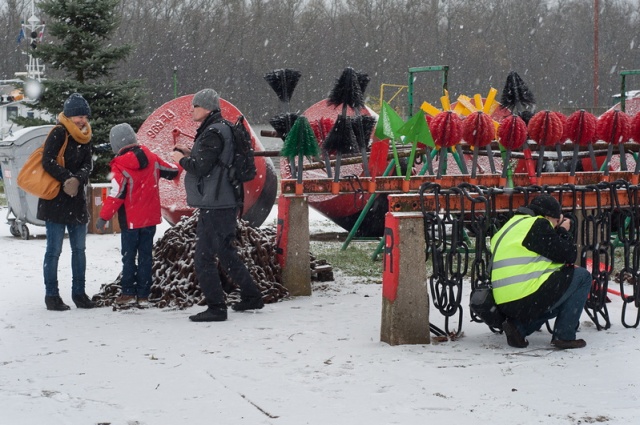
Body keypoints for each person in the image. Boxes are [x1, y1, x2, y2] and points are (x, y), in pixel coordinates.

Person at [171, 88, 263, 322]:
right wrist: (192, 152)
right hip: (226, 200)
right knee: (226, 252)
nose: (192, 109)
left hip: (216, 202)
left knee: (203, 257)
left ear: (208, 108)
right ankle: (252, 296)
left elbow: (201, 168)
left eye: (196, 106)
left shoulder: (213, 132)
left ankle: (216, 308)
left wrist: (180, 159)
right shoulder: (224, 129)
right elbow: (215, 160)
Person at [490, 193, 592, 349]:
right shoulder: (537, 224)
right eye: (556, 221)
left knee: (558, 297)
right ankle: (564, 336)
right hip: (523, 297)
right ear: (547, 216)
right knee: (582, 277)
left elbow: (535, 260)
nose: (555, 226)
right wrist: (563, 231)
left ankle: (518, 328)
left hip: (504, 302)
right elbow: (568, 254)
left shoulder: (511, 225)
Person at [96, 123, 179, 307]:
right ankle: (143, 294)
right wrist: (181, 161)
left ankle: (128, 293)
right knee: (145, 257)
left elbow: (117, 194)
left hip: (131, 222)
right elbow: (171, 171)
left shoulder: (119, 166)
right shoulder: (152, 158)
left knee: (129, 256)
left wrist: (104, 217)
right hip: (150, 220)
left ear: (116, 145)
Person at [38, 93, 94, 311]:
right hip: (56, 200)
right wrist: (66, 178)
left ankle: (79, 293)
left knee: (79, 250)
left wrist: (78, 179)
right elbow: (47, 161)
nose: (83, 120)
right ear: (69, 116)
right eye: (79, 116)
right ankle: (51, 295)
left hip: (76, 201)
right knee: (54, 250)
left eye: (85, 116)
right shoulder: (58, 133)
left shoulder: (85, 136)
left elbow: (88, 165)